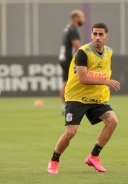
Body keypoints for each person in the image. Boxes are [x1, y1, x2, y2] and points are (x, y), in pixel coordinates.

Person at [47, 23, 120, 174]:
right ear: (91, 35)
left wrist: (104, 87)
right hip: (77, 97)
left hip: (96, 98)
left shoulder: (109, 52)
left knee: (112, 121)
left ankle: (94, 157)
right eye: (95, 34)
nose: (97, 37)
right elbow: (83, 78)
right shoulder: (83, 52)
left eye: (101, 34)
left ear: (107, 36)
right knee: (71, 132)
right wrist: (107, 82)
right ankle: (54, 160)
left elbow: (103, 71)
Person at [59, 10, 85, 114]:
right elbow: (77, 46)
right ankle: (70, 107)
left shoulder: (67, 28)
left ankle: (64, 107)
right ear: (76, 18)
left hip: (63, 58)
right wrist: (84, 56)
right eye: (82, 17)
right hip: (69, 60)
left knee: (65, 83)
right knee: (72, 83)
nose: (83, 20)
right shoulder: (73, 30)